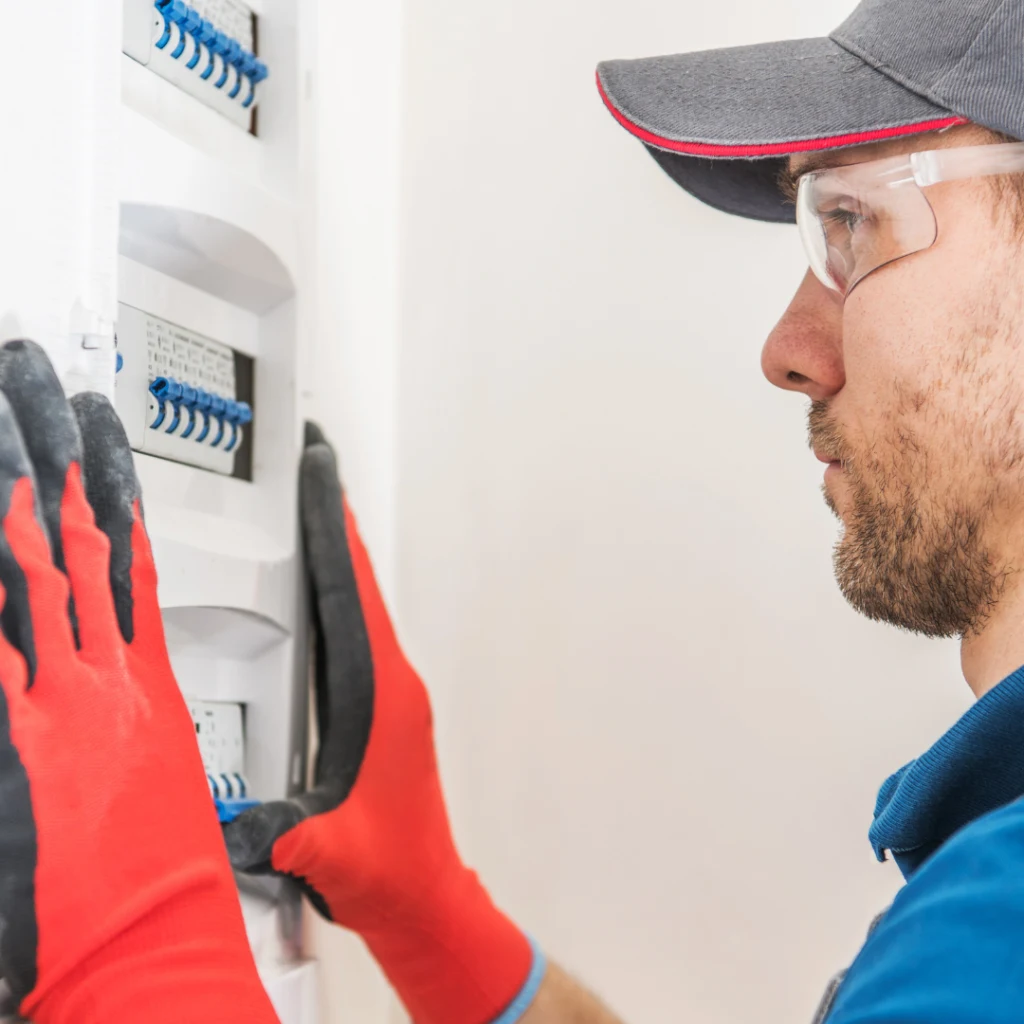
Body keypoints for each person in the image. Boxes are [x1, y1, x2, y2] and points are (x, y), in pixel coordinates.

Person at [1, 0, 1024, 1019]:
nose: (787, 348)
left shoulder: (990, 938)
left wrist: (143, 971)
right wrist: (445, 927)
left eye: (852, 221)